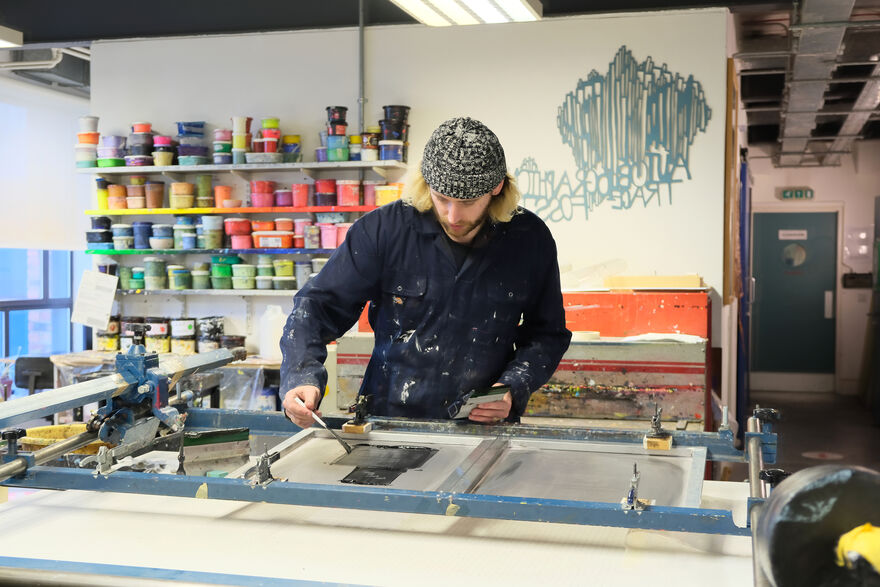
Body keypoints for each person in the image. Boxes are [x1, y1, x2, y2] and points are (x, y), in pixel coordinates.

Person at [280, 116, 571, 428]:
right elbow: (318, 306)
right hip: (388, 424)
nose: (453, 215)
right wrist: (301, 376)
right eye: (442, 198)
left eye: (468, 202)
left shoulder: (530, 240)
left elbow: (547, 333)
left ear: (497, 187)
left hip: (482, 425)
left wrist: (513, 387)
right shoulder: (383, 231)